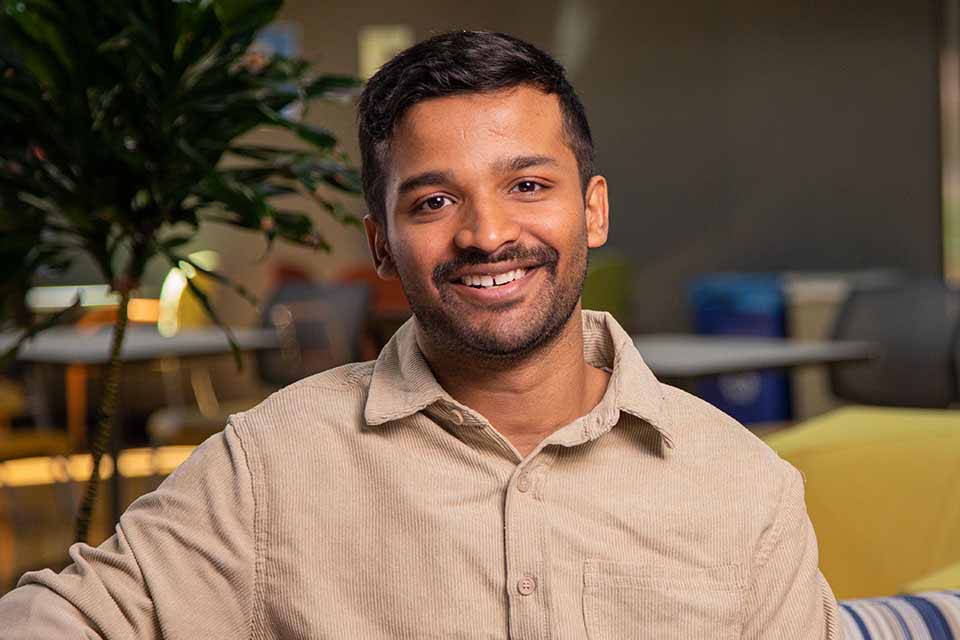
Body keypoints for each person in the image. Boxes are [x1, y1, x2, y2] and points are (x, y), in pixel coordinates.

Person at [0, 30, 841, 638]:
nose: (485, 233)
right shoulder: (275, 463)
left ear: (594, 210)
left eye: (527, 184)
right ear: (380, 242)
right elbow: (61, 616)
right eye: (434, 201)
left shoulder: (743, 488)